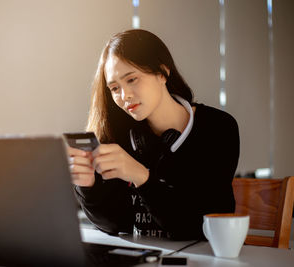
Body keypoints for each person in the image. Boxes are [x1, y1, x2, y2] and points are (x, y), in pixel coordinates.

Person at [67, 29, 239, 240]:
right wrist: (88, 187)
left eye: (132, 79)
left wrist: (141, 177)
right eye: (114, 88)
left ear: (162, 72)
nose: (124, 96)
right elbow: (115, 223)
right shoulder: (121, 135)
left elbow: (196, 227)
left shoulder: (218, 128)